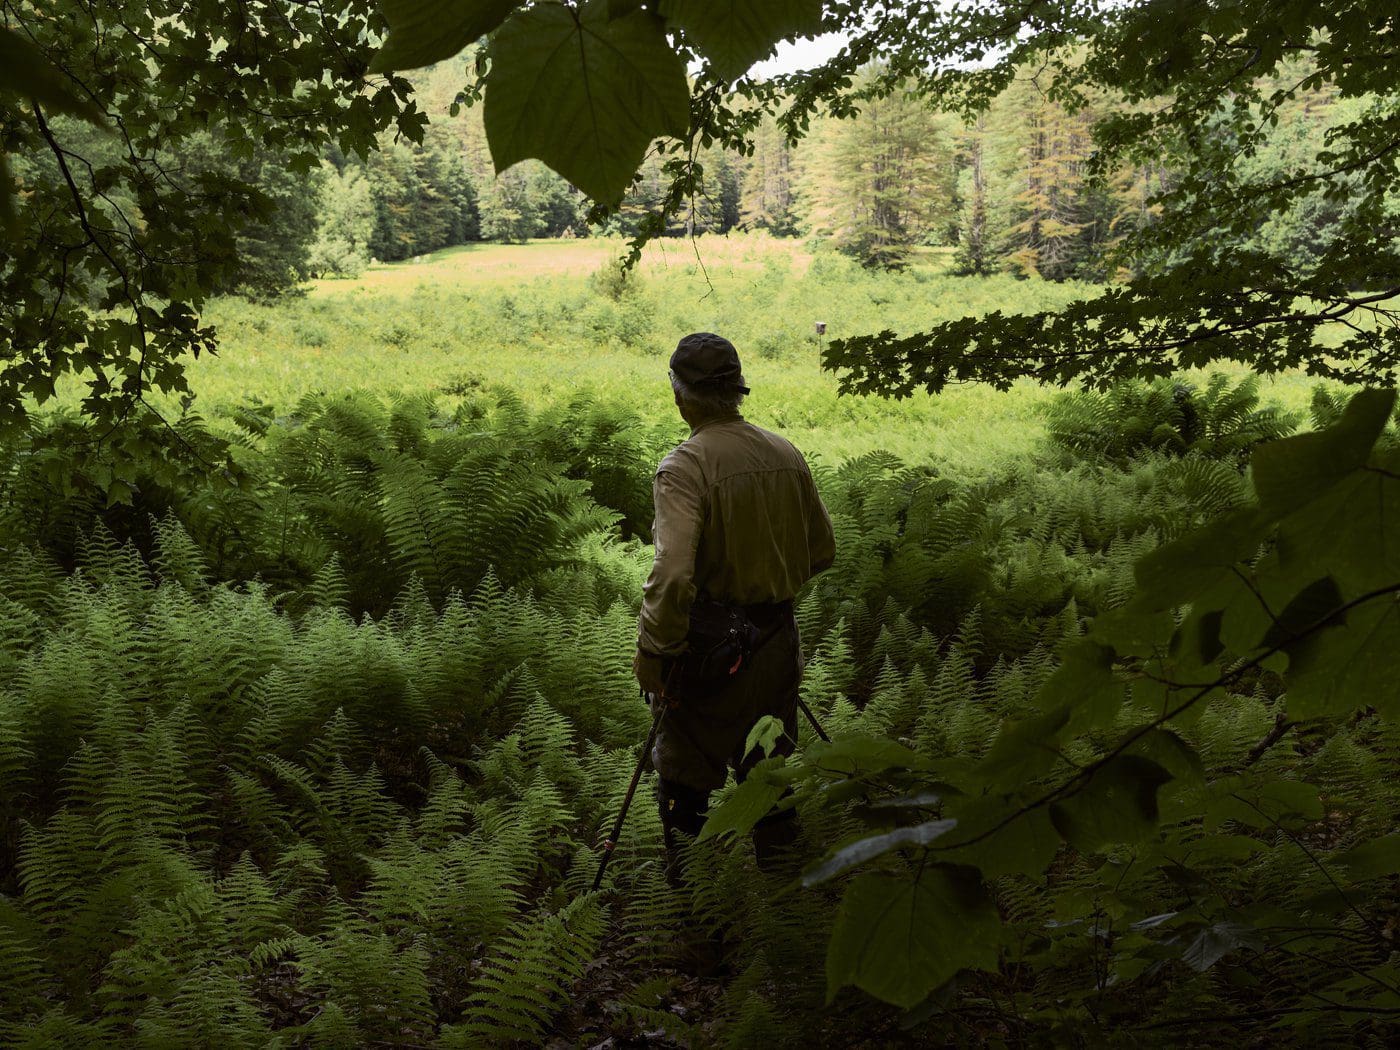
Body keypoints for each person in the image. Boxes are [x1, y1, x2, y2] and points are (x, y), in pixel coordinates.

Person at [633, 332, 836, 883]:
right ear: (738, 390)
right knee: (771, 777)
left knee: (686, 780)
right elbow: (822, 551)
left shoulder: (684, 467)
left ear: (680, 394)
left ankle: (697, 909)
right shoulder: (785, 453)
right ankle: (784, 909)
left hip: (705, 657)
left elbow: (673, 573)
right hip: (775, 645)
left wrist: (657, 649)